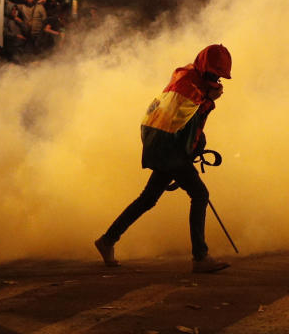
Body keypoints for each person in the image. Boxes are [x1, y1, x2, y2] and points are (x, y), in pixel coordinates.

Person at [95, 44, 233, 274]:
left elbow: (189, 123)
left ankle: (107, 240)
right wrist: (208, 100)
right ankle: (200, 257)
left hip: (165, 144)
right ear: (204, 67)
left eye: (219, 75)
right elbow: (185, 117)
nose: (216, 78)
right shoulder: (189, 83)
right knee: (200, 194)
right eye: (214, 73)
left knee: (148, 199)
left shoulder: (188, 76)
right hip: (167, 145)